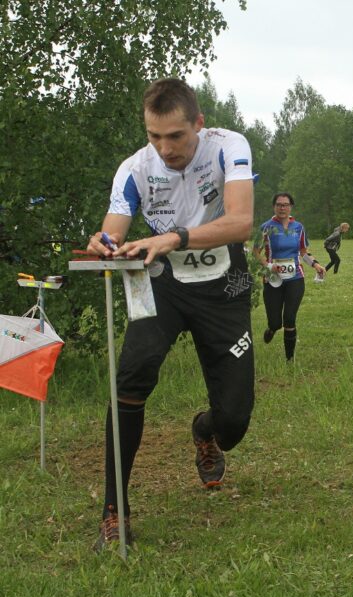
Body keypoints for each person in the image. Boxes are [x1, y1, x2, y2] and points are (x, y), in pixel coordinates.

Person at [86, 78, 255, 550]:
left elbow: (241, 222)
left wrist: (175, 237)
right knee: (130, 379)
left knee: (234, 424)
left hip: (225, 282)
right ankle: (113, 513)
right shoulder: (134, 168)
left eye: (176, 136)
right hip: (161, 282)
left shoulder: (229, 147)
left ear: (198, 124)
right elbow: (113, 230)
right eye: (154, 136)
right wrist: (106, 243)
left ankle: (205, 431)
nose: (165, 148)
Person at [252, 193, 325, 361]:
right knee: (276, 322)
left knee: (290, 319)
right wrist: (270, 266)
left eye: (285, 204)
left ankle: (289, 360)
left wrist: (315, 264)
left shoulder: (298, 227)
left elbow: (303, 252)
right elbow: (256, 252)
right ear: (274, 207)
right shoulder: (265, 227)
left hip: (295, 278)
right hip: (273, 279)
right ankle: (272, 328)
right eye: (278, 204)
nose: (282, 207)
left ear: (291, 206)